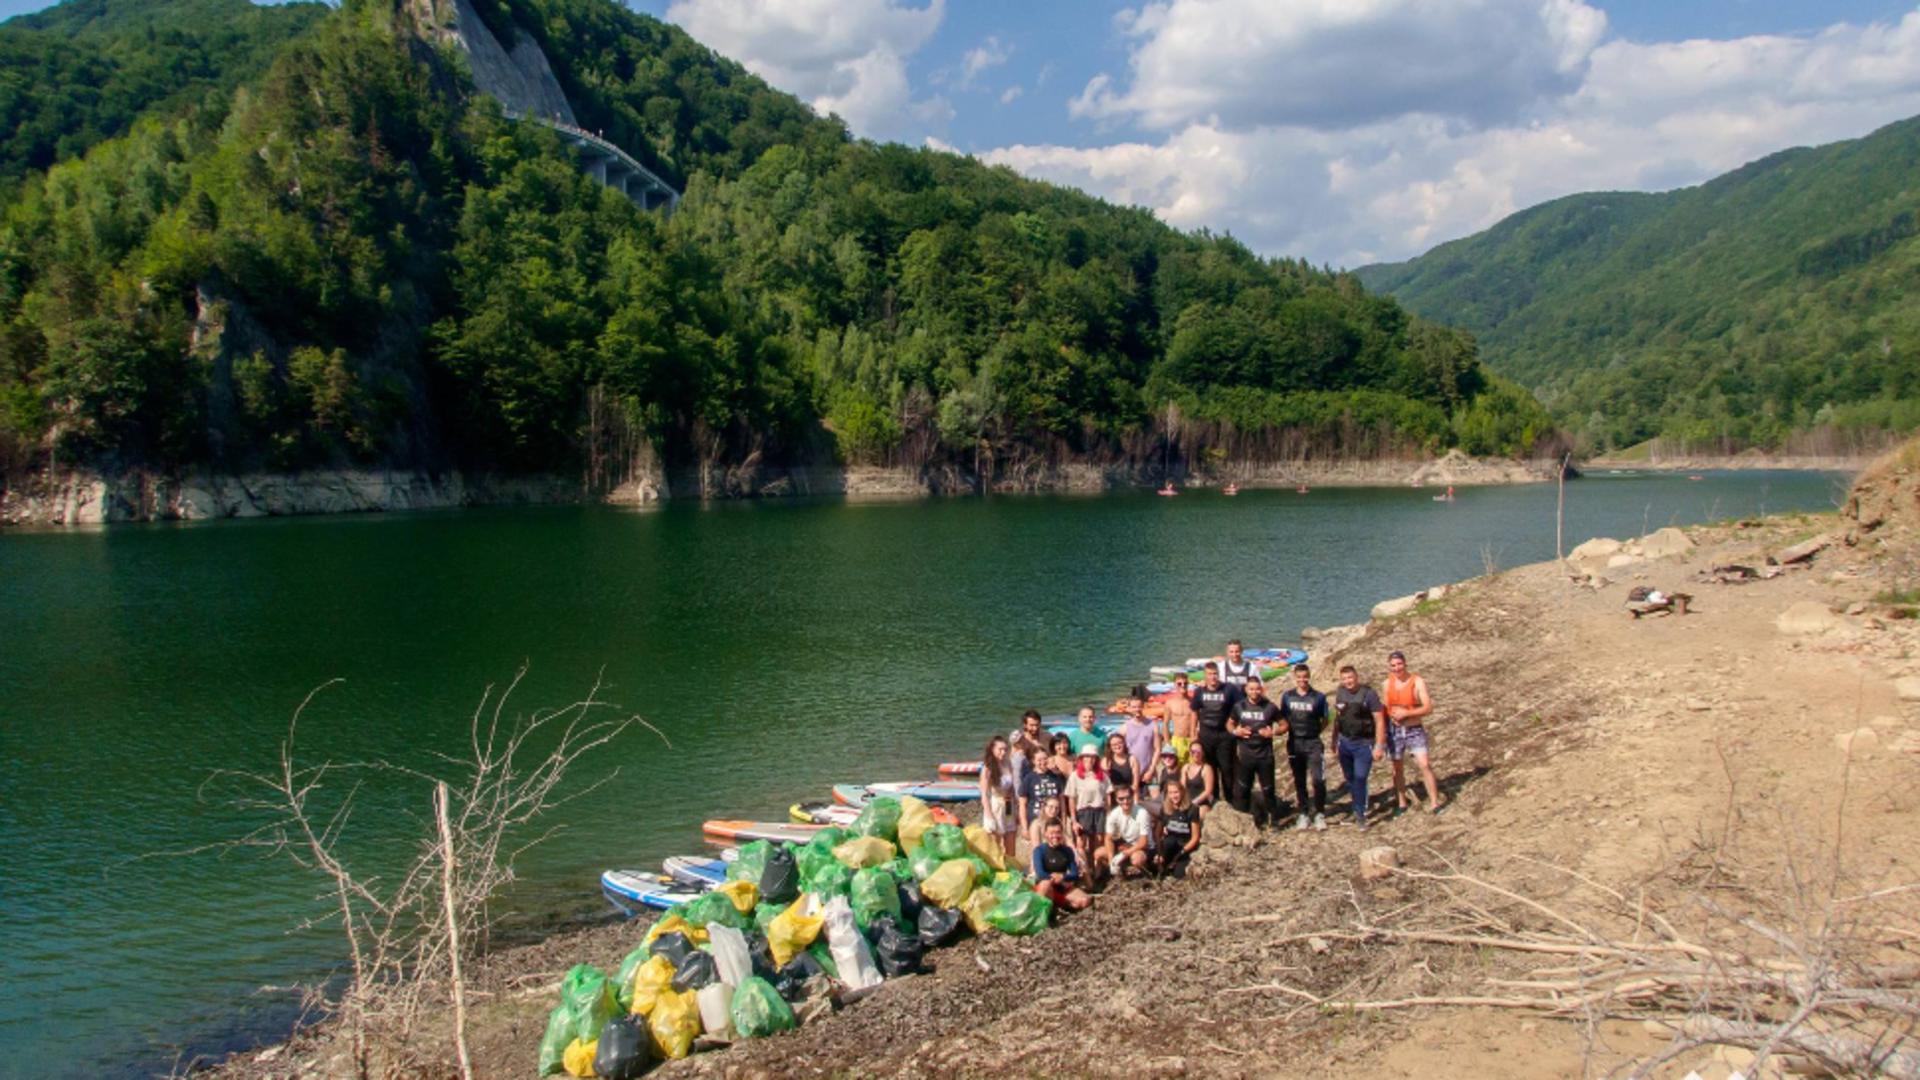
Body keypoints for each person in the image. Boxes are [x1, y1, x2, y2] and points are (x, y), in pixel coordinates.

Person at [1383, 650, 1446, 815]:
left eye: (1399, 664)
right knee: (1397, 768)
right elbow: (1385, 708)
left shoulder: (1417, 681)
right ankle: (1402, 802)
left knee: (1424, 764)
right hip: (1395, 731)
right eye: (1393, 666)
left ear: (1405, 664)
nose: (1397, 668)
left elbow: (1428, 707)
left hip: (1414, 729)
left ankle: (1434, 802)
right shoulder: (1386, 684)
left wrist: (1407, 713)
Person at [1331, 664, 1388, 828]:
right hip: (1345, 742)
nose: (1348, 681)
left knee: (1360, 777)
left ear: (1356, 677)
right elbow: (1338, 718)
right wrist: (1334, 741)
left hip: (1364, 744)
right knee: (1350, 779)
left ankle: (1361, 814)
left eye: (1350, 678)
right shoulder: (1340, 692)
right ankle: (1357, 808)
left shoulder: (1369, 694)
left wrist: (1379, 745)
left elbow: (1379, 720)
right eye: (1344, 679)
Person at [1278, 663, 1331, 831]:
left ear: (1309, 677)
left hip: (1313, 742)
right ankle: (1304, 812)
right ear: (1295, 678)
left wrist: (1315, 732)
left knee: (1318, 779)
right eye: (1299, 677)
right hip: (1294, 743)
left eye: (1305, 677)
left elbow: (1325, 719)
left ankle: (1320, 812)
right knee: (1299, 780)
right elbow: (1284, 719)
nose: (1302, 680)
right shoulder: (1287, 697)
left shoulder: (1319, 697)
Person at [1226, 675, 1283, 828]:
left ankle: (1274, 821)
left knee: (1268, 790)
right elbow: (1230, 724)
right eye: (1251, 689)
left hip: (1265, 756)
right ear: (1246, 690)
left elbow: (1284, 725)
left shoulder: (1270, 707)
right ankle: (1244, 821)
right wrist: (1236, 732)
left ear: (1261, 689)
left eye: (1257, 689)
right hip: (1245, 756)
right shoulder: (1239, 706)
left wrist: (1274, 732)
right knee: (1242, 790)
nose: (1255, 692)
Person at [1191, 662, 1239, 813]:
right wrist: (1193, 734)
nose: (1213, 677)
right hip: (1206, 735)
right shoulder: (1199, 692)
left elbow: (1239, 708)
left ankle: (1231, 800)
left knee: (1227, 769)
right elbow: (1194, 712)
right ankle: (1214, 800)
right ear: (1205, 676)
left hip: (1225, 735)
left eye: (1215, 674)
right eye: (1210, 674)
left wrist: (1236, 728)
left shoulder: (1229, 689)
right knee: (1210, 769)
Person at [1064, 745, 1111, 869]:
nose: (1089, 760)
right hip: (1083, 811)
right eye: (1086, 757)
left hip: (1099, 811)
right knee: (1081, 843)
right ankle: (1085, 871)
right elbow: (1071, 799)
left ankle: (1097, 870)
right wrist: (1074, 820)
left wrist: (1109, 813)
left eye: (1092, 757)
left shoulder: (1102, 775)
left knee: (1097, 842)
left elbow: (1108, 796)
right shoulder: (1075, 776)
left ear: (1096, 759)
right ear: (1082, 758)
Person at [1031, 820, 1092, 912]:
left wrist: (1062, 877)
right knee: (1045, 884)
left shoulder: (1067, 851)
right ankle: (1043, 913)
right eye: (1051, 833)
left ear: (1062, 833)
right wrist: (1055, 878)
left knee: (1085, 901)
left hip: (1062, 887)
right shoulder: (1039, 851)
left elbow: (1075, 874)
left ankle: (1060, 907)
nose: (1055, 836)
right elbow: (1040, 873)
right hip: (1045, 888)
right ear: (1046, 834)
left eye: (1058, 832)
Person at [1099, 786, 1154, 880]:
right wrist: (1111, 860)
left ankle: (1145, 874)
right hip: (1125, 844)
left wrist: (1124, 854)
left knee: (1137, 860)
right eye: (1121, 799)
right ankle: (1119, 874)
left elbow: (1143, 842)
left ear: (1132, 797)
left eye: (1128, 797)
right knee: (1099, 853)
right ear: (1116, 799)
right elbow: (1108, 838)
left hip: (1142, 847)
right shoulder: (1113, 814)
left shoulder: (1142, 813)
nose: (1125, 801)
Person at [978, 735, 1019, 859]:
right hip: (996, 804)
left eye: (1005, 749)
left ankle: (1011, 865)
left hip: (1008, 804)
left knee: (1011, 836)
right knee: (995, 839)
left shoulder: (1008, 763)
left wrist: (1015, 806)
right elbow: (984, 794)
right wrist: (989, 814)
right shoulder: (988, 768)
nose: (1003, 752)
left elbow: (1012, 788)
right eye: (1000, 749)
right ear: (992, 749)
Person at [1018, 745, 1065, 837]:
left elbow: (1062, 803)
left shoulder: (1055, 777)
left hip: (1054, 821)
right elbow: (1022, 804)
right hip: (1036, 820)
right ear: (1033, 761)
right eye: (1039, 760)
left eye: (1045, 759)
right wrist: (1024, 827)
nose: (1043, 762)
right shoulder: (1029, 778)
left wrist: (1063, 822)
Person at [1157, 781, 1202, 876]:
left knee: (1178, 874)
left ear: (1182, 792)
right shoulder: (1165, 808)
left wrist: (1181, 853)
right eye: (1171, 793)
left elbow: (1195, 838)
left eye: (1176, 792)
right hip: (1169, 845)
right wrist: (1159, 853)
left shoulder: (1192, 809)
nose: (1174, 796)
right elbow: (1158, 832)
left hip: (1185, 846)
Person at [1120, 700, 1159, 780]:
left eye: (1139, 706)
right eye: (1134, 707)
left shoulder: (1152, 725)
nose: (1137, 709)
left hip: (1149, 771)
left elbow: (1157, 749)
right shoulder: (1124, 728)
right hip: (1130, 771)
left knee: (1154, 792)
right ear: (1129, 709)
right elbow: (1119, 751)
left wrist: (1151, 770)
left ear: (1143, 707)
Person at [1009, 709, 1046, 792]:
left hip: (1044, 777)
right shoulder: (1019, 742)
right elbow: (1014, 768)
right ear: (1025, 725)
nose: (1035, 728)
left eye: (1037, 725)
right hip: (1026, 781)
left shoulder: (1047, 737)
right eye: (1031, 725)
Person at [1164, 675, 1197, 763]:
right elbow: (1165, 724)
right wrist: (1167, 743)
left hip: (1191, 739)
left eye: (1185, 683)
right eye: (1179, 683)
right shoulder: (1170, 703)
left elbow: (1199, 722)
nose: (1183, 685)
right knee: (1177, 769)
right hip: (1177, 739)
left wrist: (1196, 737)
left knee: (1193, 767)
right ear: (1175, 685)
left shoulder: (1194, 702)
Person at [1178, 743, 1217, 816]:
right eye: (1193, 752)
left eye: (1198, 752)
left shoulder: (1207, 768)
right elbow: (1182, 787)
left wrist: (1194, 802)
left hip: (1202, 802)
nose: (1196, 754)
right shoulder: (1185, 768)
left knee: (1199, 814)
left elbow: (1208, 791)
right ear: (1190, 753)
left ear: (1203, 753)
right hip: (1187, 800)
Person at [1102, 732, 1138, 799]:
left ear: (1124, 743)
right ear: (1110, 746)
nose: (1117, 746)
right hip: (1112, 796)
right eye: (1114, 744)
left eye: (1120, 743)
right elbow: (1105, 785)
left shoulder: (1132, 759)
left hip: (1128, 797)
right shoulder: (1106, 761)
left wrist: (1135, 804)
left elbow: (1135, 786)